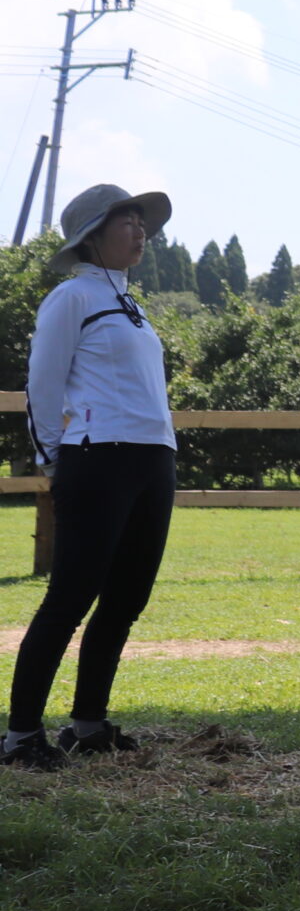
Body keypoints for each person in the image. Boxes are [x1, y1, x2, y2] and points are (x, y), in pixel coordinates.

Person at [4, 185, 179, 772]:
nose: (140, 230)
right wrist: (54, 458)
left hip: (152, 460)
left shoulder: (131, 303)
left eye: (141, 220)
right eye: (126, 220)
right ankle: (23, 735)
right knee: (71, 597)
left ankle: (88, 726)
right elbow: (43, 385)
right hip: (96, 458)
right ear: (92, 236)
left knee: (127, 598)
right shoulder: (71, 297)